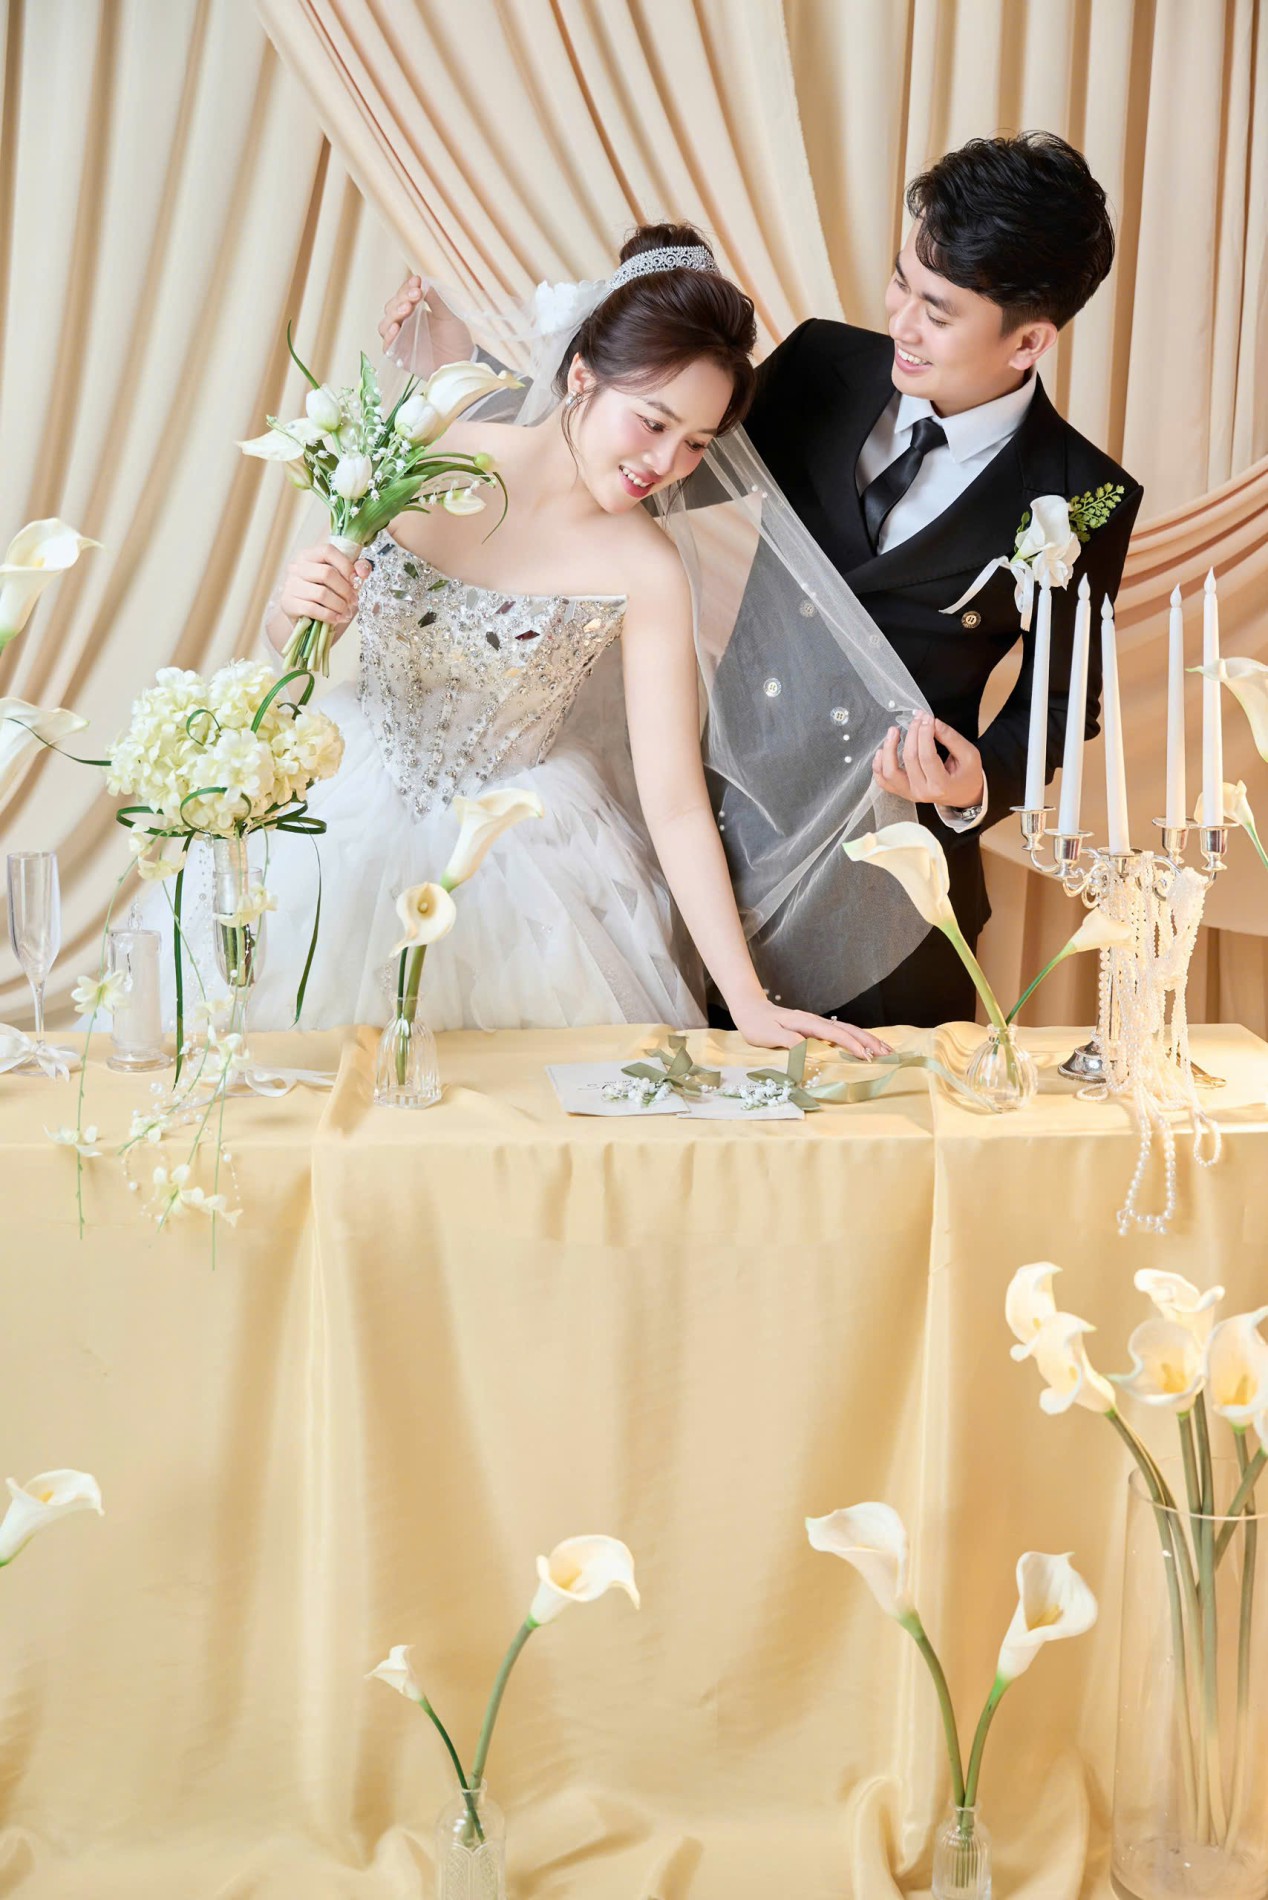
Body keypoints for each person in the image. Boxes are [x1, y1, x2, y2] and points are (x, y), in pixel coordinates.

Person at [253, 225, 897, 1054]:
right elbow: (290, 642)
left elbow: (675, 801)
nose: (664, 463)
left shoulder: (647, 567)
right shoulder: (421, 457)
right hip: (346, 811)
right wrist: (295, 605)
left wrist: (747, 1001)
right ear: (583, 374)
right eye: (652, 422)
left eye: (696, 444)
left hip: (521, 861)